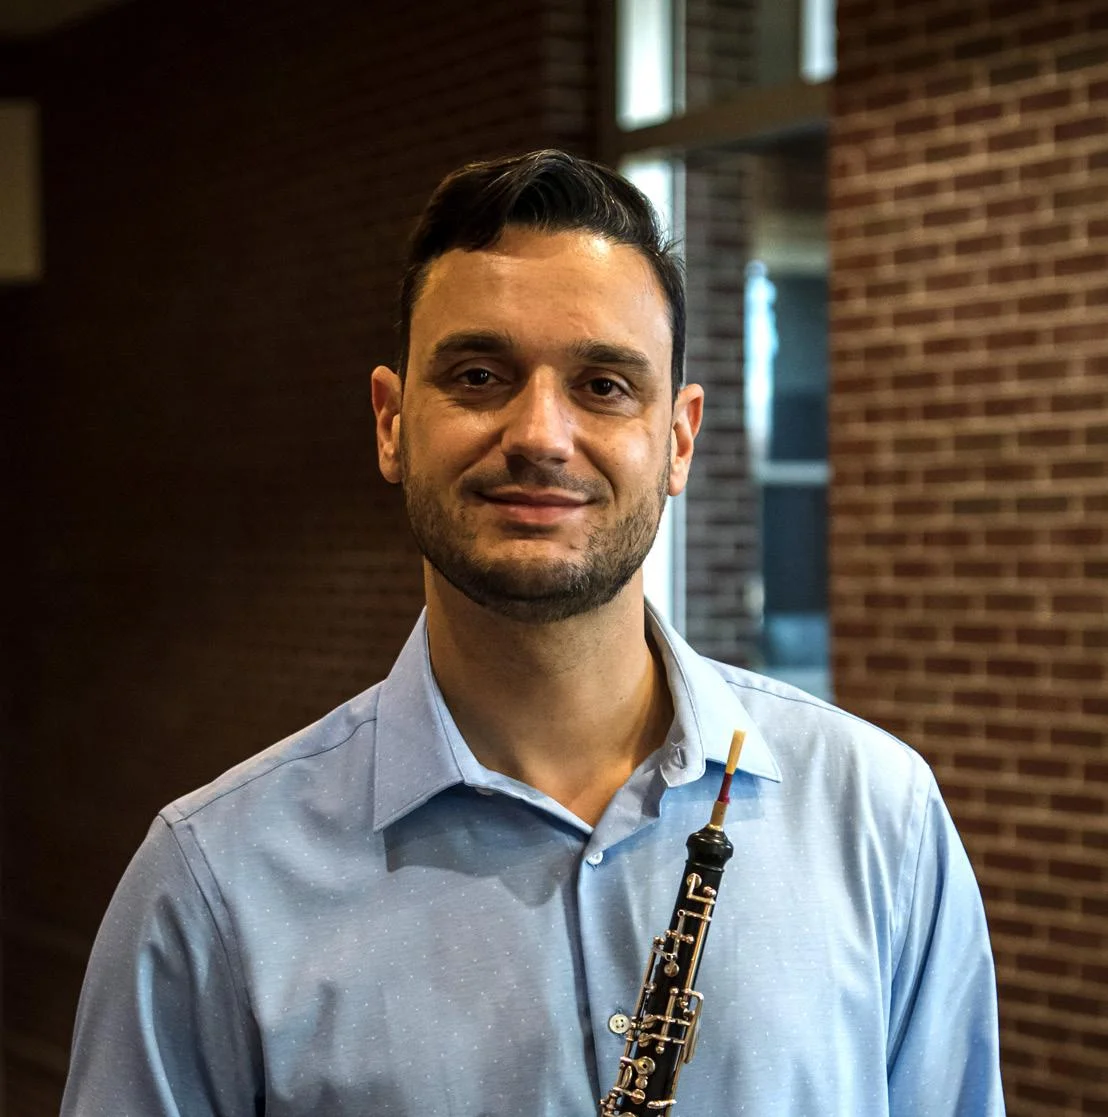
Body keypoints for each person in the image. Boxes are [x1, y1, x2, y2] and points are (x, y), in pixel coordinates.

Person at [61, 149, 1005, 1116]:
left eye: (603, 384)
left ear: (678, 438)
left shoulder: (879, 815)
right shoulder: (213, 883)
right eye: (479, 375)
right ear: (391, 423)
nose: (542, 435)